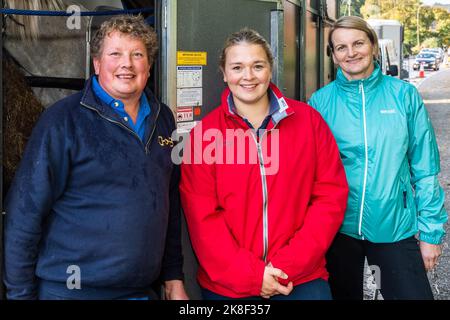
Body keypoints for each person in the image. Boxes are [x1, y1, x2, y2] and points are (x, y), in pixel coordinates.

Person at [3, 15, 188, 300]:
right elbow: (24, 214)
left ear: (149, 66)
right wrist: (20, 294)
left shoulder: (163, 118)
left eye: (137, 54)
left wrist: (173, 276)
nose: (126, 63)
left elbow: (169, 202)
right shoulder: (63, 121)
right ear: (97, 63)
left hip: (141, 292)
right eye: (115, 54)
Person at [179, 28, 349, 300]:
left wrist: (287, 265)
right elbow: (203, 218)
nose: (248, 76)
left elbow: (330, 197)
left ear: (270, 69)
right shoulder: (204, 136)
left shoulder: (309, 122)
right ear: (224, 73)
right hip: (228, 286)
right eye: (237, 67)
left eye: (258, 66)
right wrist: (251, 275)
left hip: (301, 279)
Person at [308, 16, 448, 300]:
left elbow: (425, 168)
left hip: (394, 226)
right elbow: (307, 172)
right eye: (341, 47)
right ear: (333, 56)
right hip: (336, 230)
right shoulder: (320, 102)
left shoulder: (404, 95)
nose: (351, 53)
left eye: (358, 43)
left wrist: (431, 233)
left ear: (372, 45)